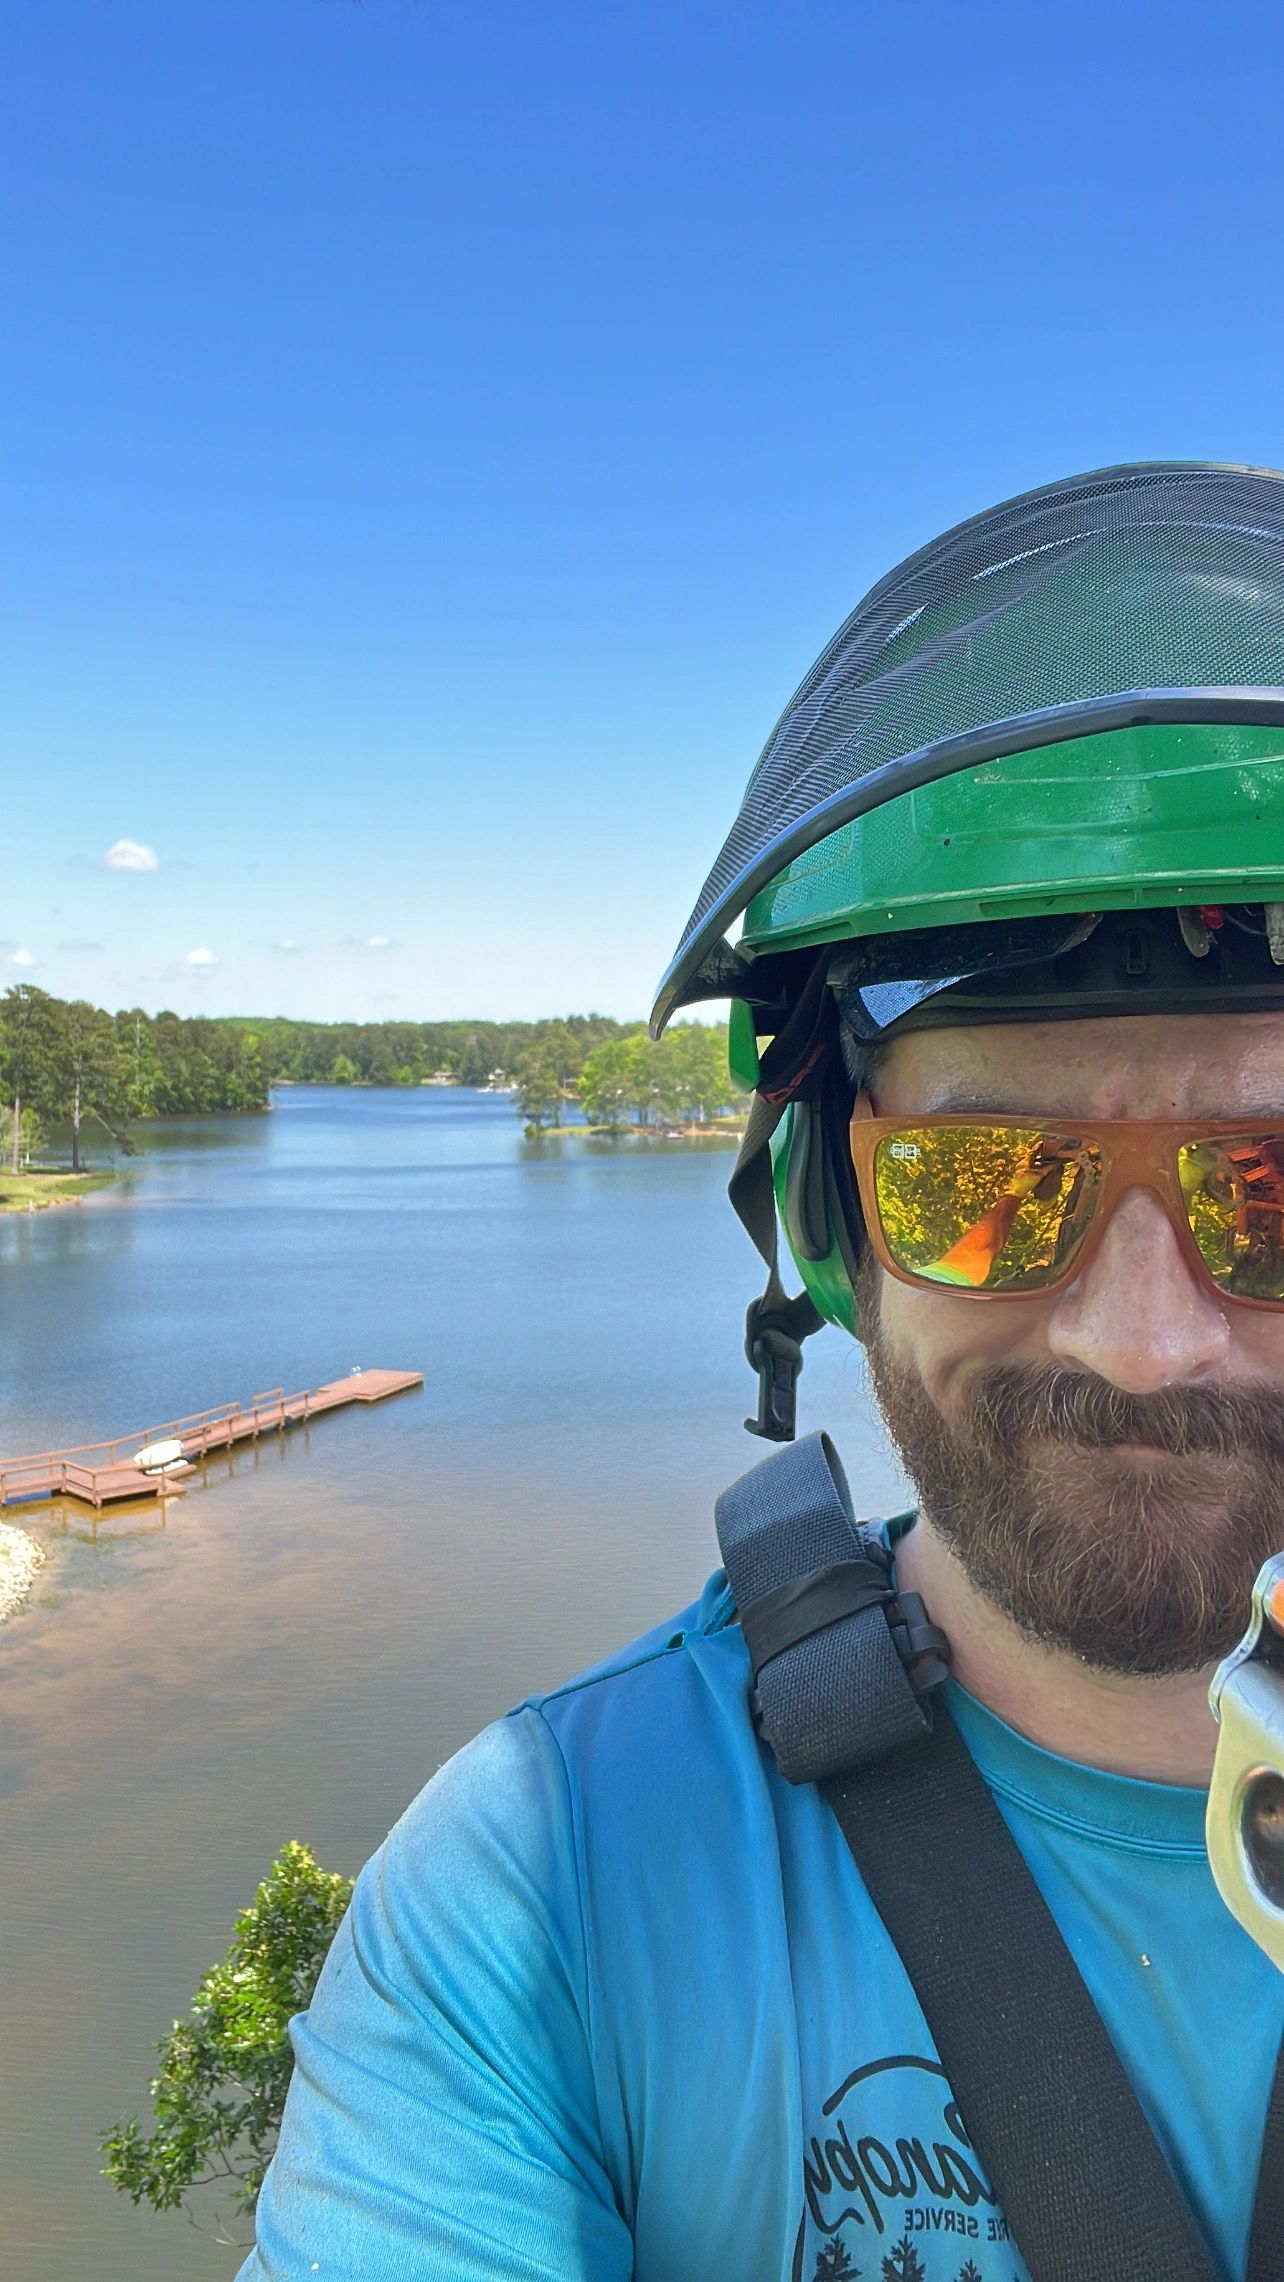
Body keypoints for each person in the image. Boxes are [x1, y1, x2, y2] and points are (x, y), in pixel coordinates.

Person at [239, 463, 1284, 2282]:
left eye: (1269, 1193)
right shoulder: (549, 1892)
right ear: (826, 1215)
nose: (1149, 1336)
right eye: (988, 1180)